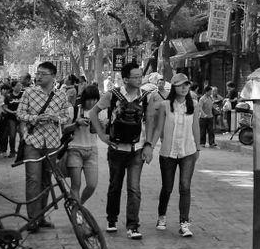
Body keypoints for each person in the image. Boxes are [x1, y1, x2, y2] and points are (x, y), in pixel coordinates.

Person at [90, 61, 157, 239]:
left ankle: (133, 225)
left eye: (140, 76)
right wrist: (102, 136)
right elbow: (92, 113)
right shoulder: (112, 95)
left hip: (137, 149)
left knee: (134, 189)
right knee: (115, 186)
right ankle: (112, 219)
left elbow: (150, 121)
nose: (138, 79)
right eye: (135, 77)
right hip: (117, 149)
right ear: (125, 78)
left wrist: (149, 144)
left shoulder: (146, 97)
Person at [15, 61, 72, 227]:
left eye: (42, 74)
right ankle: (32, 219)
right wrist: (35, 118)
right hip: (33, 142)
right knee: (33, 179)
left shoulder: (61, 95)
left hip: (52, 143)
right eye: (37, 73)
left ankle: (41, 216)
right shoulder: (29, 93)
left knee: (46, 180)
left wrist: (57, 119)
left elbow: (66, 116)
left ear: (53, 76)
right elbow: (20, 114)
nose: (38, 76)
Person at [149, 73, 201, 237]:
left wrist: (198, 148)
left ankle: (184, 223)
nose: (184, 87)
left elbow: (196, 127)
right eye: (180, 85)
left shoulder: (194, 104)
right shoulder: (165, 105)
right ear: (174, 87)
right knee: (167, 187)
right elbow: (158, 128)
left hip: (188, 151)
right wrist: (149, 146)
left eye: (187, 84)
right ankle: (161, 216)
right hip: (167, 152)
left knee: (185, 187)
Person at [64, 83, 101, 204]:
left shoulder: (99, 112)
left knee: (92, 185)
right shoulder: (73, 110)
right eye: (90, 99)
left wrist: (102, 125)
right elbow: (64, 129)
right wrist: (77, 123)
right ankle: (77, 212)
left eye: (95, 99)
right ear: (84, 98)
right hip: (74, 150)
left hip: (92, 150)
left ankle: (79, 205)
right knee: (76, 184)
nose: (92, 102)